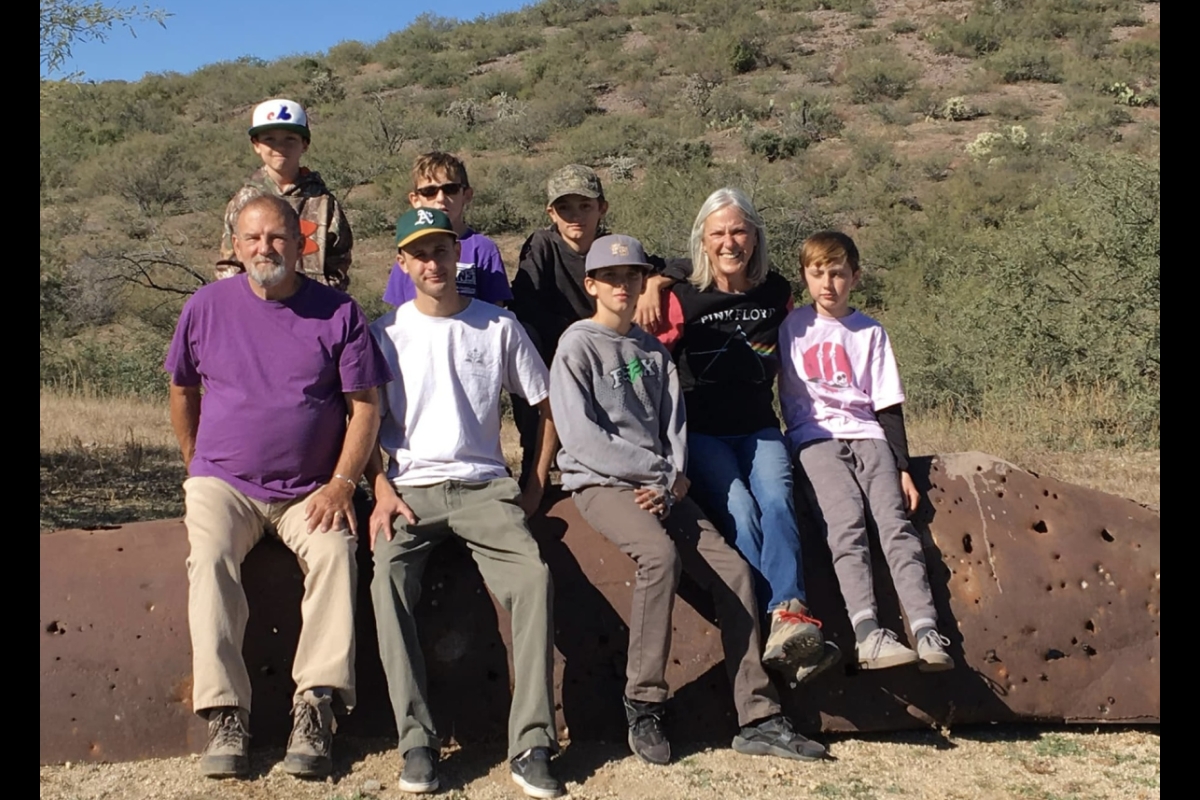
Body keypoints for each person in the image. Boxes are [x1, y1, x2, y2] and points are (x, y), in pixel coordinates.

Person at [550, 233, 827, 768]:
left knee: (736, 574)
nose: (623, 286)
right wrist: (656, 473)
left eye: (631, 276)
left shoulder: (653, 351)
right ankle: (644, 701)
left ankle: (759, 716)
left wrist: (673, 478)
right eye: (611, 278)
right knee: (659, 556)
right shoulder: (577, 346)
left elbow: (674, 423)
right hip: (600, 484)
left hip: (660, 484)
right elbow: (582, 439)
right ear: (592, 285)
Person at [165, 194, 392, 779]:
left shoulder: (338, 312)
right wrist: (196, 465)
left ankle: (316, 705)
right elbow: (183, 389)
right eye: (252, 238)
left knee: (338, 554)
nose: (265, 248)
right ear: (235, 248)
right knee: (210, 557)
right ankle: (225, 712)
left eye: (277, 237)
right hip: (225, 482)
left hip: (311, 489)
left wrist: (343, 483)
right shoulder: (206, 307)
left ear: (301, 243)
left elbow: (364, 406)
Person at [367, 208, 564, 799]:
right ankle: (417, 740)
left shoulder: (497, 325)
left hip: (485, 487)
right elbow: (366, 419)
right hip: (409, 491)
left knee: (532, 578)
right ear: (402, 263)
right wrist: (379, 485)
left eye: (442, 251)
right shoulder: (385, 333)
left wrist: (533, 483)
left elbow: (545, 403)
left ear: (460, 256)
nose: (433, 262)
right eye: (420, 253)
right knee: (386, 582)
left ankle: (531, 742)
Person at [653, 187, 838, 685]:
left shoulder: (776, 292)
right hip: (704, 433)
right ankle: (768, 621)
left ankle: (788, 613)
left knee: (777, 499)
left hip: (760, 426)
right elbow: (650, 361)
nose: (729, 241)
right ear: (703, 239)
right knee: (738, 507)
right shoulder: (680, 296)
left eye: (739, 231)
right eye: (718, 233)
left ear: (755, 237)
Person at [778, 230, 954, 673]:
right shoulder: (791, 326)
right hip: (814, 437)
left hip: (868, 435)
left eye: (837, 274)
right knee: (845, 525)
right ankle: (867, 631)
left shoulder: (870, 331)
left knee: (896, 526)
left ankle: (926, 628)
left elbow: (887, 403)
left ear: (855, 277)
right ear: (805, 277)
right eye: (817, 274)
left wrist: (901, 465)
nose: (827, 284)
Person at [508, 164, 689, 485]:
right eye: (564, 207)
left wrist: (657, 281)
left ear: (602, 208)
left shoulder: (613, 250)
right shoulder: (542, 246)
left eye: (585, 206)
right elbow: (524, 303)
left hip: (611, 356)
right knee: (526, 337)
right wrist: (578, 337)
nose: (575, 215)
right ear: (551, 212)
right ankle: (534, 462)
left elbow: (685, 264)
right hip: (559, 353)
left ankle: (642, 457)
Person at [215, 98, 354, 290]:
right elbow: (229, 265)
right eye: (269, 139)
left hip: (314, 310)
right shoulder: (243, 201)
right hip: (255, 311)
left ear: (304, 144)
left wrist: (326, 296)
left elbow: (339, 259)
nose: (280, 147)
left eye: (290, 139)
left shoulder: (323, 202)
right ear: (256, 145)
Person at [382, 151, 512, 308]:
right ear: (415, 200)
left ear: (467, 195)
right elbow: (399, 312)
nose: (441, 198)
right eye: (429, 191)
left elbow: (495, 312)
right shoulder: (410, 250)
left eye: (450, 189)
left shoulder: (483, 249)